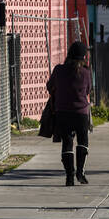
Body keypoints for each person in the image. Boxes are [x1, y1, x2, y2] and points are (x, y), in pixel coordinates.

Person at [46, 41, 92, 186]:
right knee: (82, 141)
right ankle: (80, 172)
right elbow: (88, 90)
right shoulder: (86, 72)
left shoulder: (59, 70)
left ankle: (69, 176)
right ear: (83, 57)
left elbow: (49, 86)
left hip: (62, 112)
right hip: (81, 113)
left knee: (67, 142)